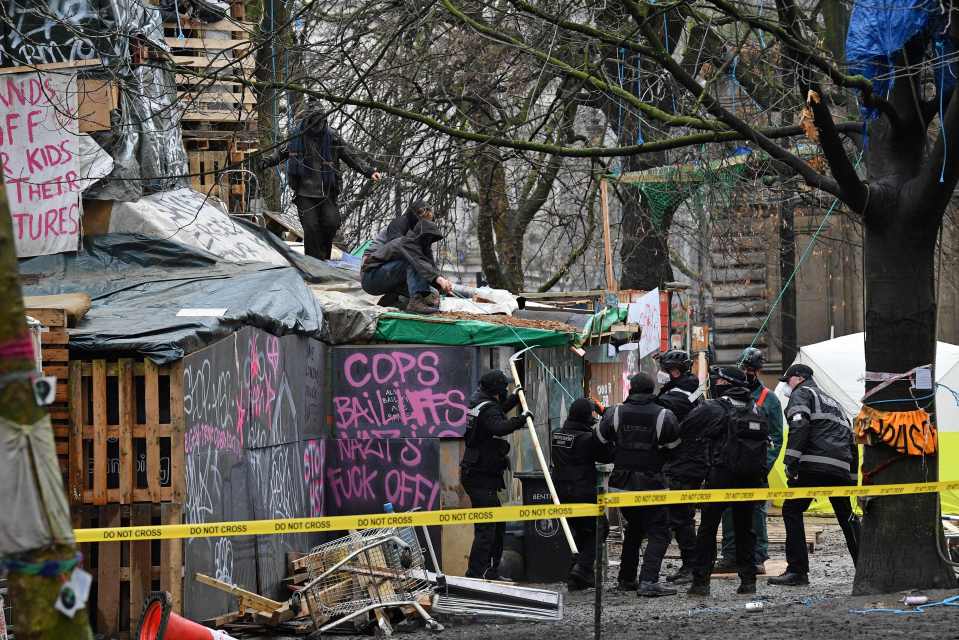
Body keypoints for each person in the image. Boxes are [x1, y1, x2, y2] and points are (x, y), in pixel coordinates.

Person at [768, 364, 861, 587]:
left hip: (812, 465)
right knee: (846, 516)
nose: (786, 386)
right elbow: (851, 438)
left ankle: (798, 571)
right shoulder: (834, 402)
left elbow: (799, 426)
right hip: (840, 467)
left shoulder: (803, 393)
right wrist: (851, 477)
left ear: (799, 378)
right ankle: (864, 566)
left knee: (792, 510)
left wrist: (790, 462)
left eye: (787, 381)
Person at [686, 366, 769, 596]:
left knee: (708, 528)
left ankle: (701, 583)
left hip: (721, 476)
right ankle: (748, 581)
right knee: (746, 529)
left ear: (724, 383)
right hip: (750, 478)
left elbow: (686, 428)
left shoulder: (714, 407)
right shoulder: (757, 409)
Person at [259, 103, 381, 260]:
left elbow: (351, 156)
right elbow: (281, 152)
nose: (317, 126)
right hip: (304, 192)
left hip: (327, 191)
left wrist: (369, 171)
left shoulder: (332, 137)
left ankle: (324, 259)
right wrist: (267, 161)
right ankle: (313, 263)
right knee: (311, 228)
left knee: (331, 223)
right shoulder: (297, 136)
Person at [597, 373, 682, 597]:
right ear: (651, 390)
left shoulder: (615, 413)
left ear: (631, 389)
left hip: (621, 485)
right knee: (660, 532)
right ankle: (649, 581)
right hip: (652, 484)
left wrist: (618, 454)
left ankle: (626, 578)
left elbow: (600, 441)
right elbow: (675, 448)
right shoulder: (664, 415)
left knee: (634, 528)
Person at [714, 347, 784, 575]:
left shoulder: (768, 399)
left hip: (755, 467)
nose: (747, 372)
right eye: (744, 368)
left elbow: (776, 437)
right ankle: (731, 555)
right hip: (730, 466)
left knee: (757, 513)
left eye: (751, 369)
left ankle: (757, 557)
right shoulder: (726, 397)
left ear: (758, 371)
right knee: (728, 513)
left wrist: (764, 464)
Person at [460, 370, 532, 580]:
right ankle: (476, 575)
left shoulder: (479, 401)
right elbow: (498, 426)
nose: (504, 393)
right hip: (480, 476)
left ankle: (490, 572)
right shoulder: (486, 407)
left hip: (481, 475)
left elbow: (496, 412)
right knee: (487, 529)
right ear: (495, 390)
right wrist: (522, 419)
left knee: (497, 525)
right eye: (503, 390)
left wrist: (515, 398)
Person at [551, 397, 614, 590]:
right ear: (587, 416)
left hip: (561, 490)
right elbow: (607, 455)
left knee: (580, 532)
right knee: (600, 528)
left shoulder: (557, 435)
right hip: (582, 491)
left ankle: (576, 574)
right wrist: (603, 419)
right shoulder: (587, 439)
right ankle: (583, 569)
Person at [654, 349, 705, 585]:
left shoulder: (681, 392)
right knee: (681, 516)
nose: (661, 374)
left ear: (674, 371)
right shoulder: (685, 387)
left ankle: (692, 566)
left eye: (665, 370)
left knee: (681, 516)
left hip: (685, 460)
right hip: (685, 459)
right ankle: (692, 564)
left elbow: (657, 408)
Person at [361, 199, 454, 311]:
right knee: (412, 262)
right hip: (372, 273)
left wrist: (442, 284)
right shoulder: (400, 228)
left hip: (392, 272)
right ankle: (415, 303)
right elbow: (409, 254)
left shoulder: (419, 242)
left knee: (431, 296)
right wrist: (438, 279)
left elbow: (429, 266)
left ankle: (391, 300)